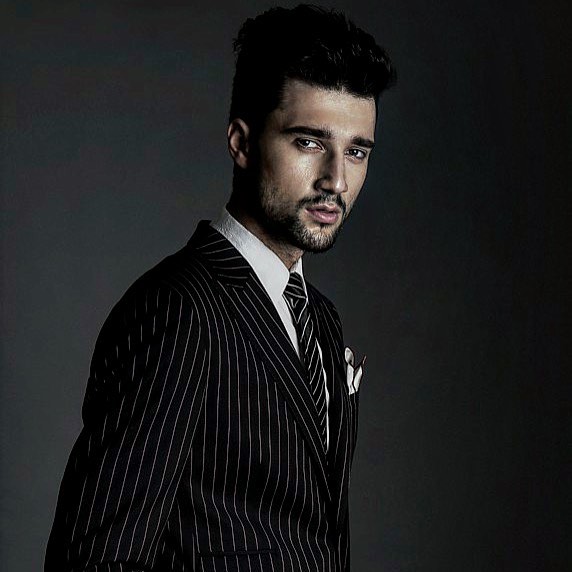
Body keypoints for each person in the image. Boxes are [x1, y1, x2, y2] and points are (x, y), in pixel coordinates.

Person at [45, 5, 396, 571]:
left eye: (356, 151)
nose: (336, 179)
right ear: (241, 142)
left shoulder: (321, 321)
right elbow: (97, 556)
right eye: (309, 142)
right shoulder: (178, 309)